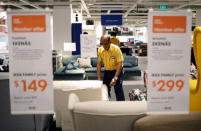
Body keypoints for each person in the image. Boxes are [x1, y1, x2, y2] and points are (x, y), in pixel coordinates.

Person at [97, 35, 125, 101]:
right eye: (102, 44)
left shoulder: (116, 49)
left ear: (110, 42)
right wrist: (98, 78)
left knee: (118, 89)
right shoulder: (100, 50)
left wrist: (115, 78)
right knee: (105, 89)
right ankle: (107, 103)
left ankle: (122, 105)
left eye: (106, 44)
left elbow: (119, 64)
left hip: (117, 71)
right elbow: (99, 64)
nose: (104, 46)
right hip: (107, 71)